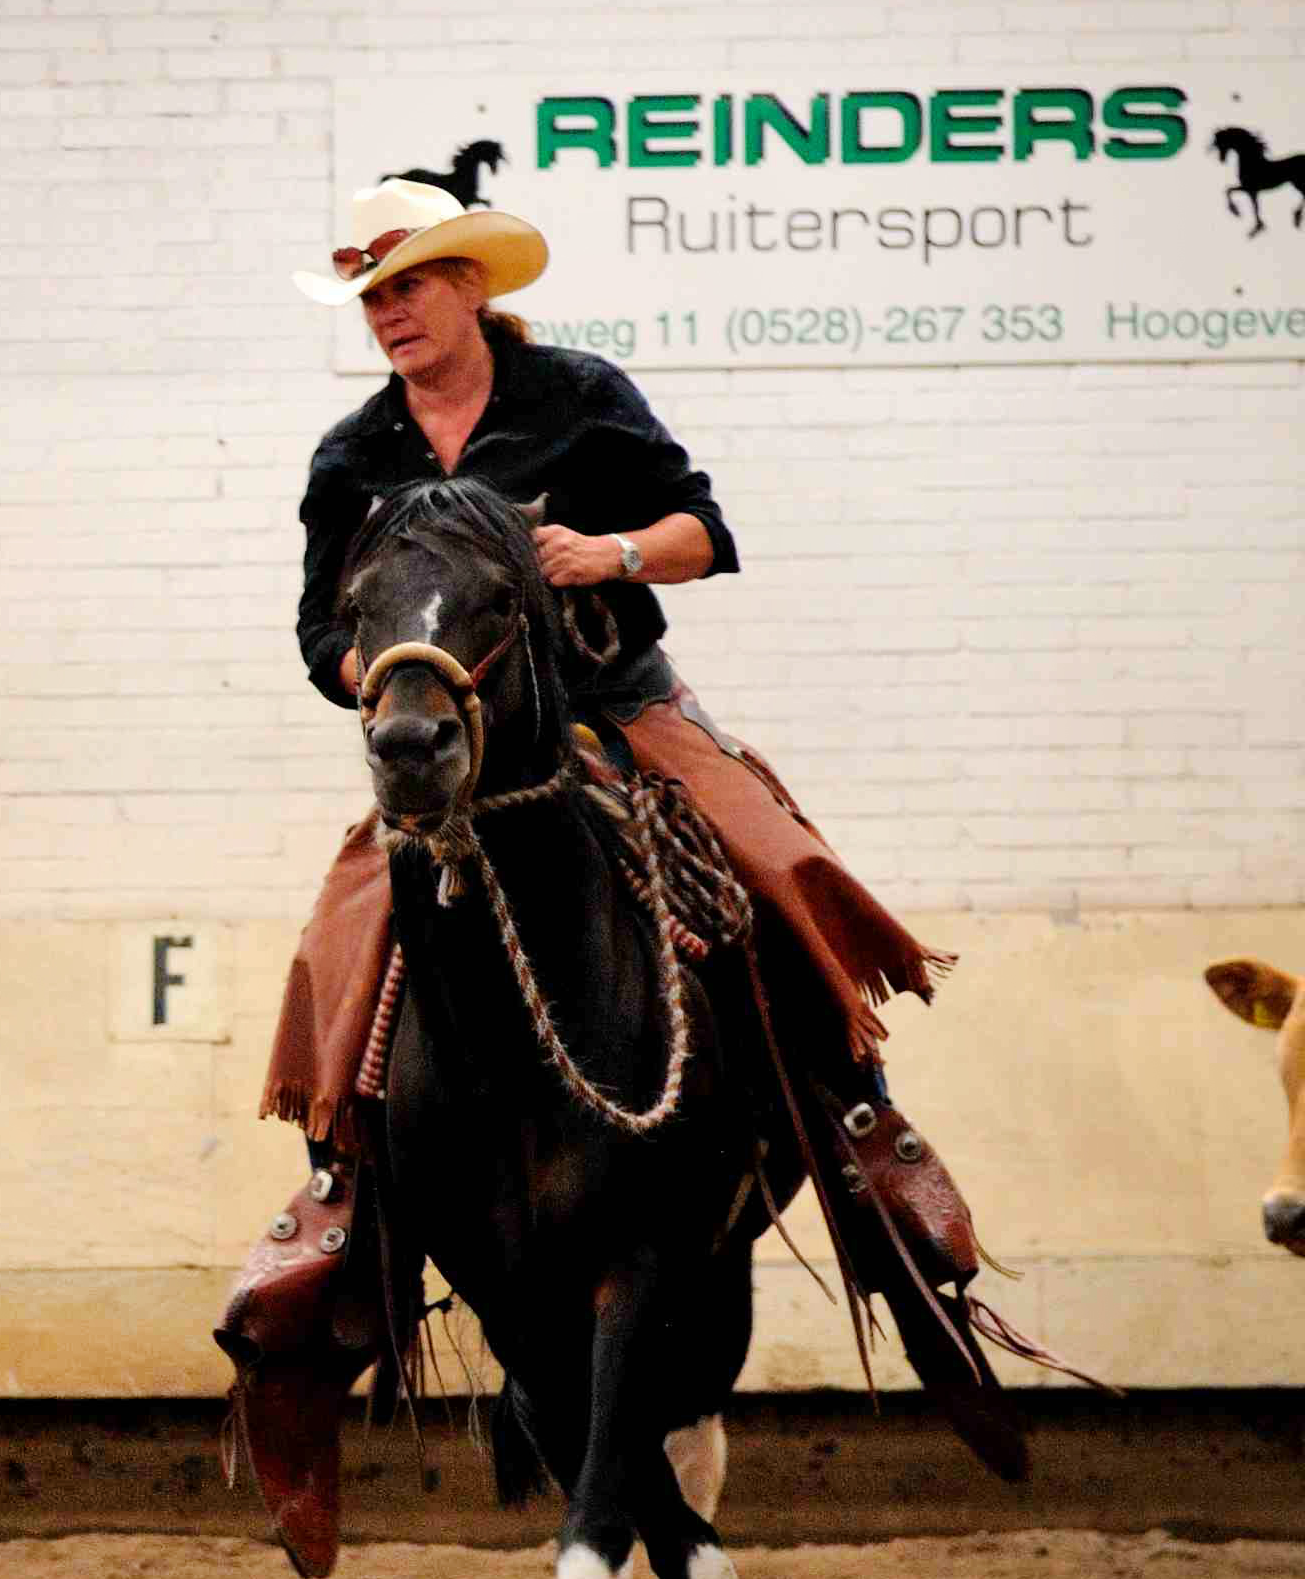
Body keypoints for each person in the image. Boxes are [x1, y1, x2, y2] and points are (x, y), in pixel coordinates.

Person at [217, 176, 984, 1384]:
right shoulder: (354, 454)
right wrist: (402, 670)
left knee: (778, 861)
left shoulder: (578, 398)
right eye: (373, 296)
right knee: (341, 939)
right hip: (463, 747)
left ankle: (861, 1132)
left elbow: (703, 532)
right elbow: (323, 638)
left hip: (620, 705)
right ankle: (344, 1195)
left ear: (471, 286)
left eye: (409, 285)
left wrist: (608, 553)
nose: (389, 313)